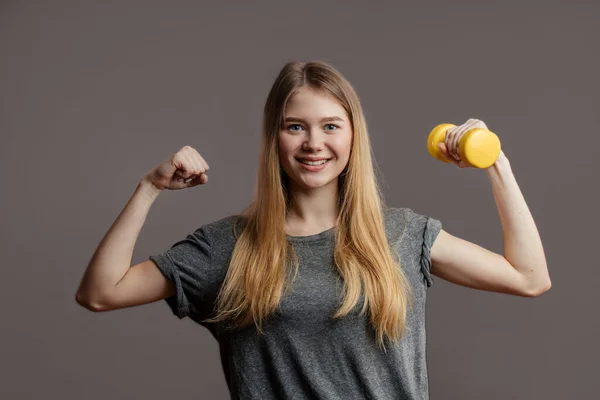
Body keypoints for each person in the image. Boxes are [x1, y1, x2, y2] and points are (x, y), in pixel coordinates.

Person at [75, 60, 551, 399]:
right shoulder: (227, 247)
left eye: (330, 126)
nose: (314, 143)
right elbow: (100, 292)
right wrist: (148, 187)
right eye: (295, 127)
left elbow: (529, 277)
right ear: (274, 138)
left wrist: (496, 163)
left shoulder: (402, 234)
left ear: (352, 136)